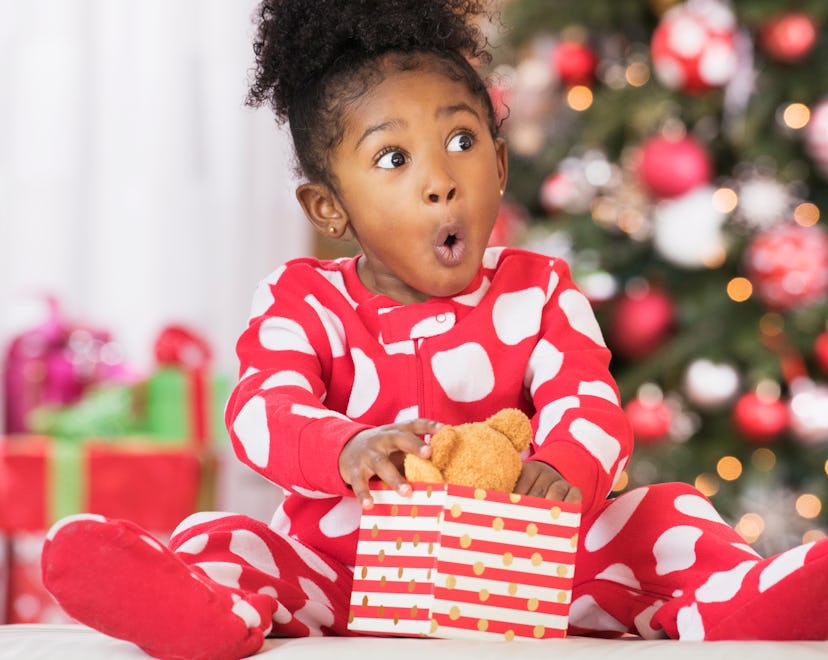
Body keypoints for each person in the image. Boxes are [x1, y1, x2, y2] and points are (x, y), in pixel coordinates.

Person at [41, 1, 828, 658]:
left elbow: (588, 399)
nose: (439, 180)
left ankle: (743, 601)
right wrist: (345, 447)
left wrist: (564, 463)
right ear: (330, 209)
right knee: (232, 537)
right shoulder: (302, 297)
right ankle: (198, 608)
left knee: (666, 516)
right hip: (349, 566)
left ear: (499, 164)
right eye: (392, 159)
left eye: (461, 141)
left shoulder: (542, 291)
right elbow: (260, 411)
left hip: (534, 568)